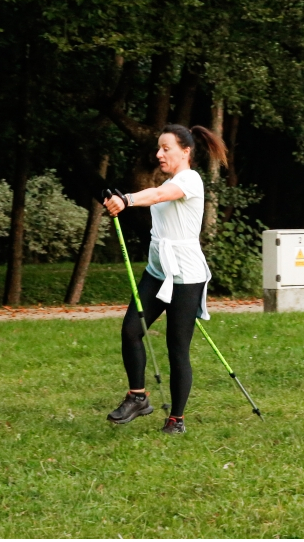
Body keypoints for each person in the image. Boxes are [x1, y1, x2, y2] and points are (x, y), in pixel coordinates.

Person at [103, 123, 228, 433]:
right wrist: (124, 199)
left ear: (185, 152)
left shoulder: (190, 180)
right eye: (158, 148)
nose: (159, 154)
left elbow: (159, 195)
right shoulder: (173, 179)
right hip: (158, 272)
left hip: (186, 277)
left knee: (177, 347)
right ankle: (138, 397)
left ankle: (177, 419)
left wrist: (127, 200)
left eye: (165, 148)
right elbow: (156, 195)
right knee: (131, 330)